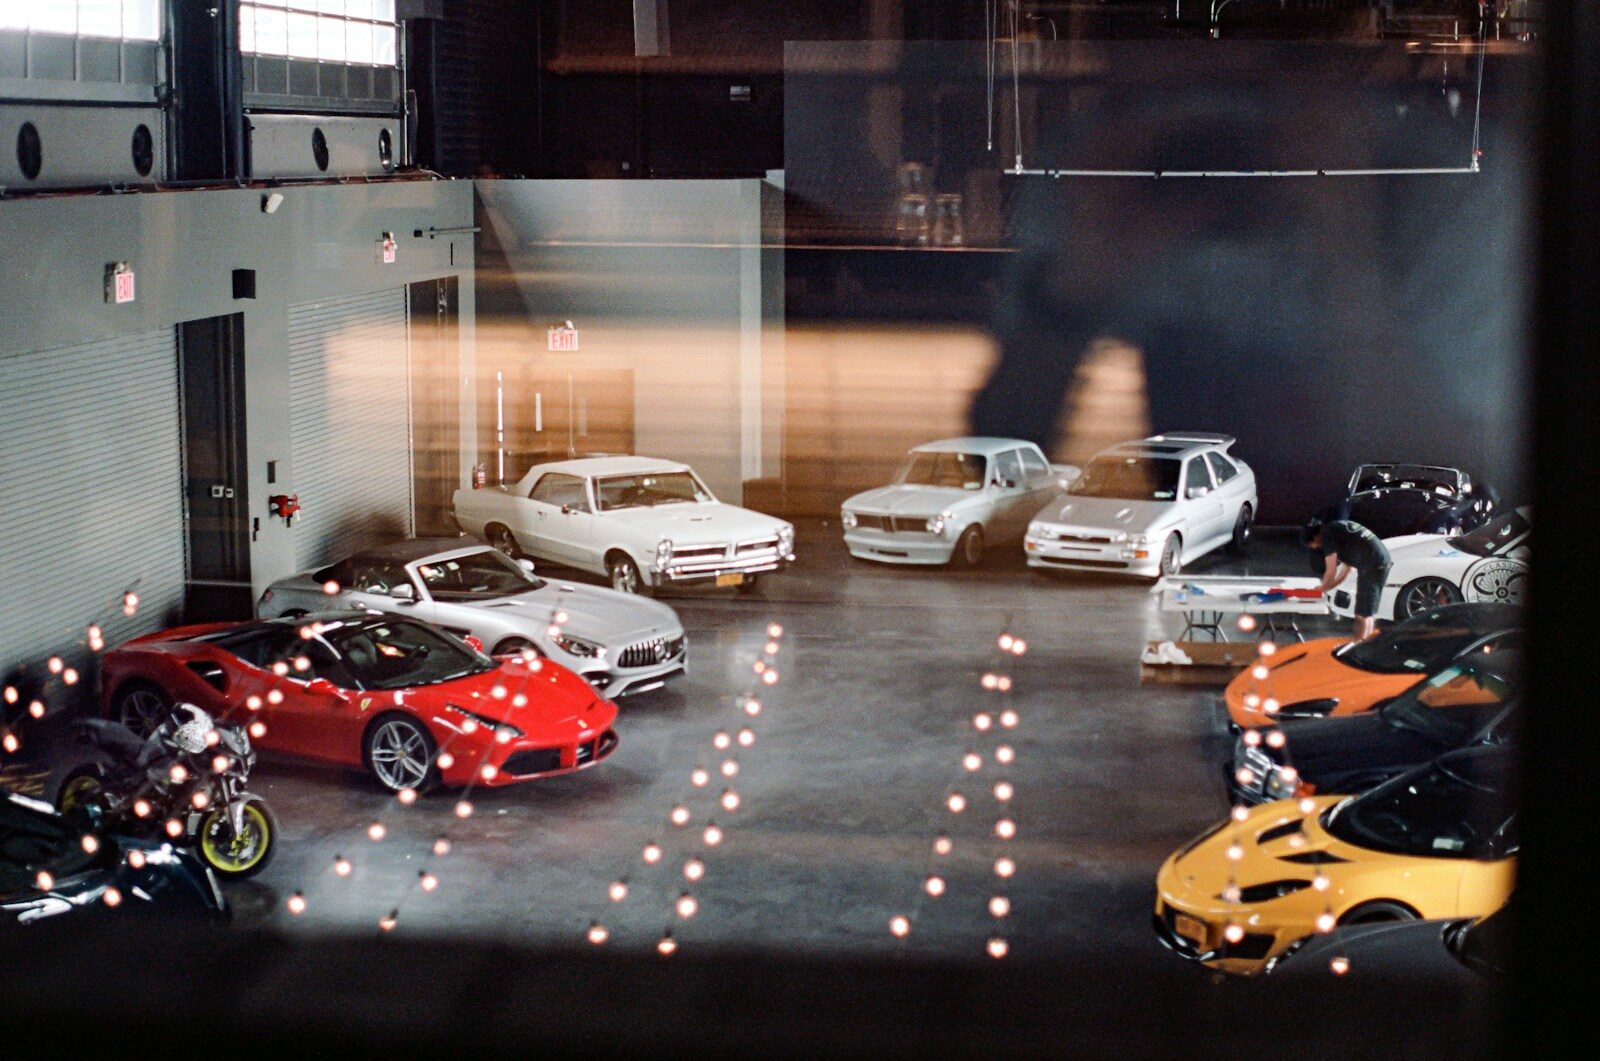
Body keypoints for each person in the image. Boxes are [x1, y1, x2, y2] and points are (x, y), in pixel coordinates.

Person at [1302, 516, 1391, 641]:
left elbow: (1331, 570)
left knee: (1364, 613)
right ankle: (1360, 642)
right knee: (1363, 611)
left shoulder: (1327, 536)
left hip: (1374, 564)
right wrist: (1325, 588)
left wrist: (1321, 589)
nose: (1315, 548)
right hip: (1373, 563)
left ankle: (1360, 645)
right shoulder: (1338, 532)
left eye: (1312, 545)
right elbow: (1346, 571)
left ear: (1315, 537)